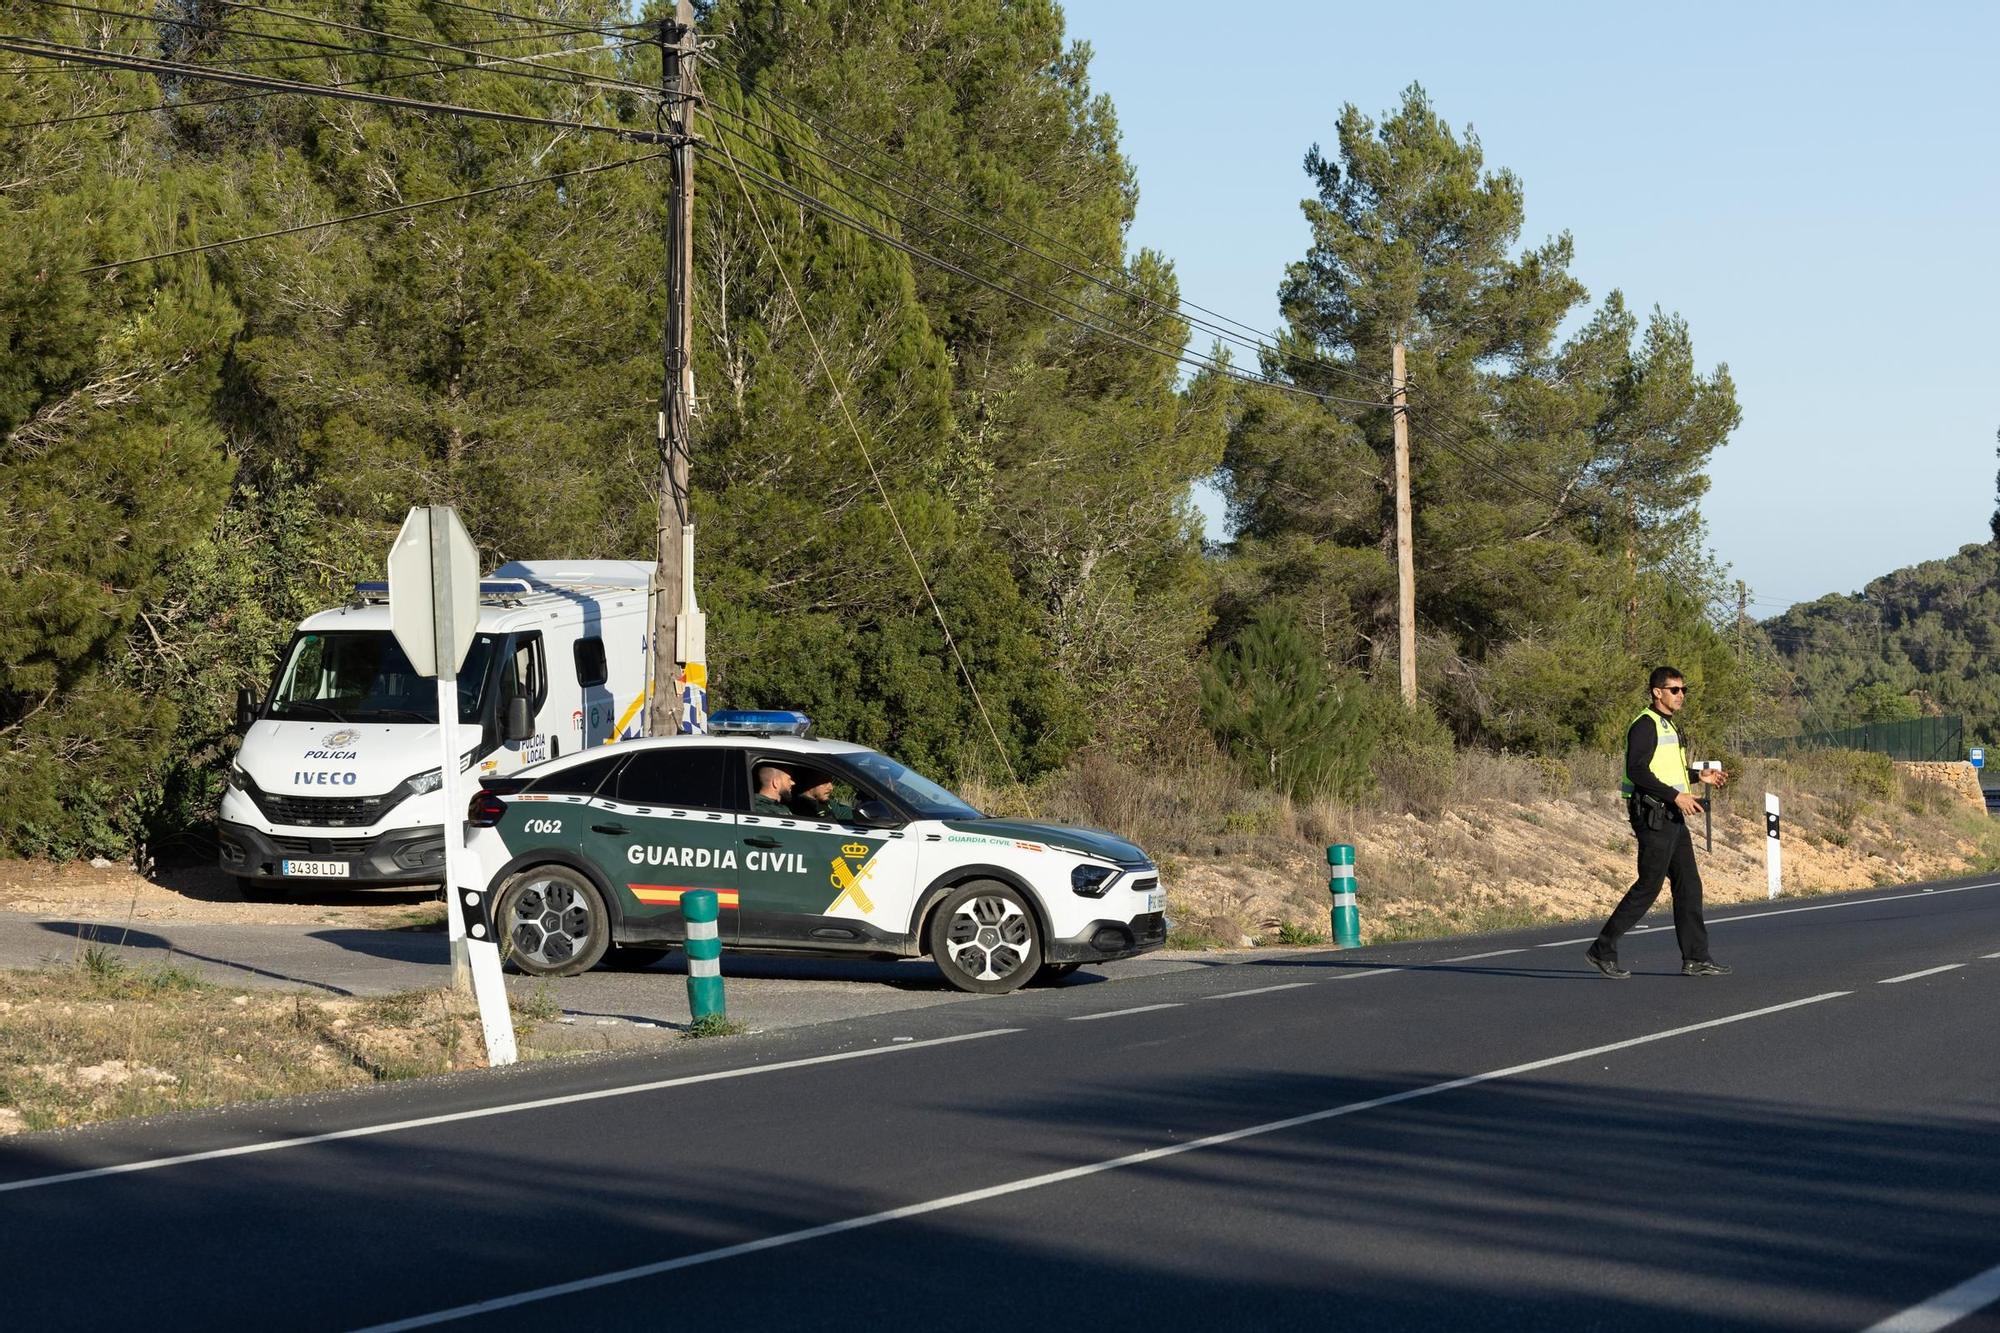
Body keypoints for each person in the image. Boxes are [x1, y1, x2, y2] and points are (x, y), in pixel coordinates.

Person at [1586, 666, 1731, 979]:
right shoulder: (1645, 725)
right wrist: (1676, 796)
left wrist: (1697, 776)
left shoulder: (1669, 726)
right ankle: (1602, 948)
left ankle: (1696, 958)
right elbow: (1637, 771)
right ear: (1657, 691)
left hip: (1670, 813)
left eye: (1683, 690)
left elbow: (1666, 771)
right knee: (1648, 886)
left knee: (1689, 885)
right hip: (1653, 815)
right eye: (1674, 690)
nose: (1681, 695)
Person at [790, 772, 856, 822]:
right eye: (825, 783)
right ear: (810, 783)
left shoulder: (825, 802)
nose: (831, 788)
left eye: (831, 782)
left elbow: (844, 812)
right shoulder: (798, 809)